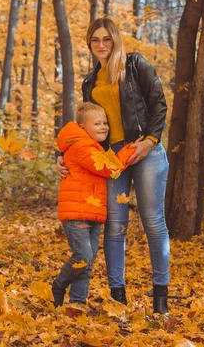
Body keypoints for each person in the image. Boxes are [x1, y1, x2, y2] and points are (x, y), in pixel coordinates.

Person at [57, 18, 171, 314]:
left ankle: (161, 297)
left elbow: (158, 103)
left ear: (116, 39)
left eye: (107, 39)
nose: (101, 45)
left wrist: (149, 141)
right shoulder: (89, 82)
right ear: (89, 44)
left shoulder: (135, 65)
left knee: (153, 223)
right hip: (111, 159)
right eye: (95, 40)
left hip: (145, 150)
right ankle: (117, 296)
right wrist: (62, 155)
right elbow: (84, 129)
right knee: (115, 227)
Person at [52, 102, 136, 307]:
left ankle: (77, 303)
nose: (104, 127)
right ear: (82, 127)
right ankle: (59, 284)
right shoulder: (82, 147)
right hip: (77, 212)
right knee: (83, 256)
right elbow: (108, 168)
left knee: (87, 263)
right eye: (97, 123)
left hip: (92, 211)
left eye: (105, 123)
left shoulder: (91, 146)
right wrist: (131, 149)